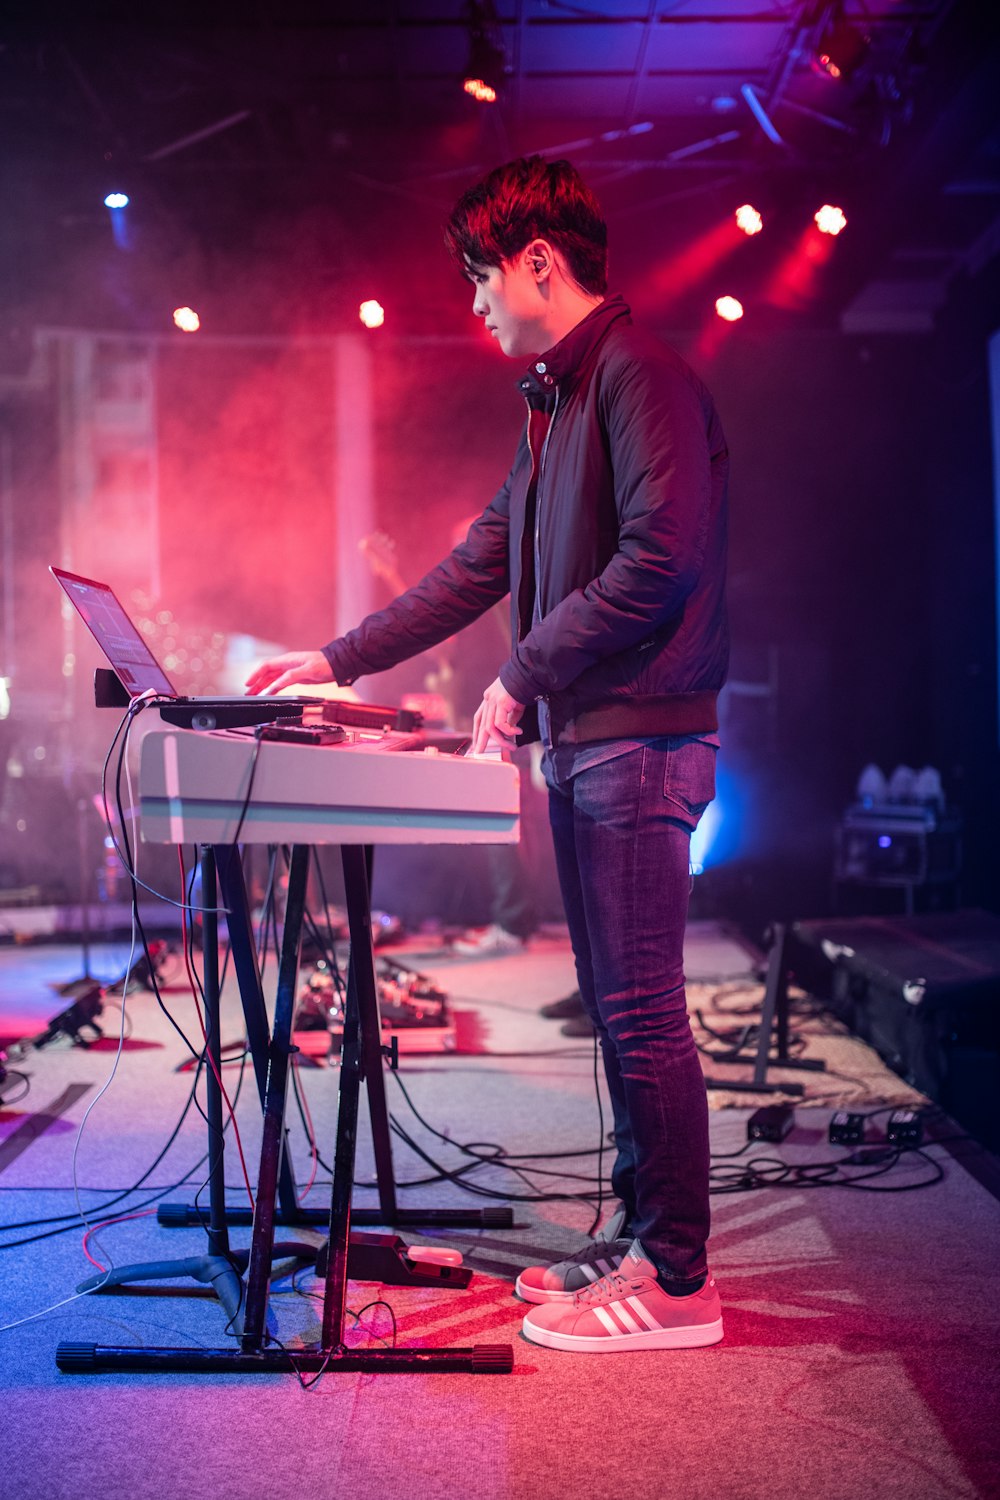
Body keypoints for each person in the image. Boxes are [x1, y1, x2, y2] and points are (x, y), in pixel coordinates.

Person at [246, 156, 729, 1353]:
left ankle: (677, 1282)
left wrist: (519, 675)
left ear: (538, 264)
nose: (475, 304)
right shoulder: (558, 400)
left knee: (641, 1011)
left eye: (479, 279)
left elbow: (660, 561)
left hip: (640, 741)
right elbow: (479, 562)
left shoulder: (640, 375)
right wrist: (339, 657)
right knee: (622, 1016)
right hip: (592, 742)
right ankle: (638, 1241)